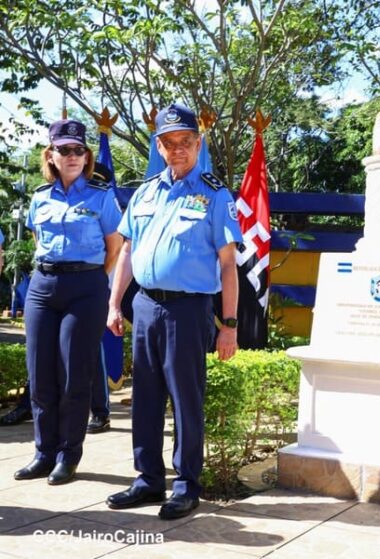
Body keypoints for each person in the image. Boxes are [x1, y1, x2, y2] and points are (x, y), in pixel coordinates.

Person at [105, 103, 242, 520]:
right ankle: (148, 480)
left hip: (188, 309)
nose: (177, 149)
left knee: (185, 399)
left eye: (185, 142)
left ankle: (186, 485)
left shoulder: (215, 195)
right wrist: (114, 304)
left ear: (198, 145)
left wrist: (230, 325)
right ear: (159, 148)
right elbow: (127, 251)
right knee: (144, 397)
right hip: (145, 306)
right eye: (169, 143)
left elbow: (228, 264)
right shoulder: (145, 192)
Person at [13, 119, 122, 485]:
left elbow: (114, 248)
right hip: (43, 286)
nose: (72, 155)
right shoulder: (40, 197)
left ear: (87, 155)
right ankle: (43, 452)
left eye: (78, 149)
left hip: (85, 287)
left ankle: (68, 455)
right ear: (52, 155)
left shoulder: (101, 196)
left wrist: (91, 278)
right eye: (64, 149)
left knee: (74, 373)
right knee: (40, 373)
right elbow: (36, 237)